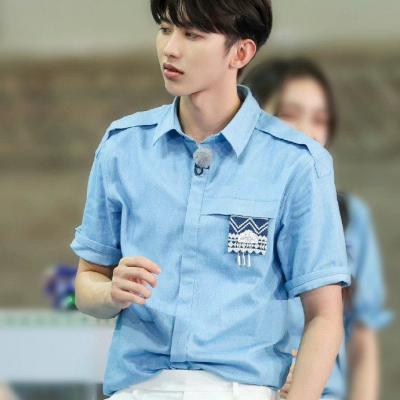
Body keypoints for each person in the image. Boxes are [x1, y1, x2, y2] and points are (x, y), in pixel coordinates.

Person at [70, 2, 351, 399]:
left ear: (241, 52)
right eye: (165, 29)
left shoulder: (297, 163)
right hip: (137, 389)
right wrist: (110, 293)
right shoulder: (123, 146)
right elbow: (87, 282)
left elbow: (324, 316)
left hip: (242, 388)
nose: (170, 48)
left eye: (192, 35)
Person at [242, 57, 393, 400]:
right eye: (290, 115)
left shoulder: (350, 217)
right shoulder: (226, 210)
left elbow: (362, 338)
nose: (308, 132)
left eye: (320, 120)